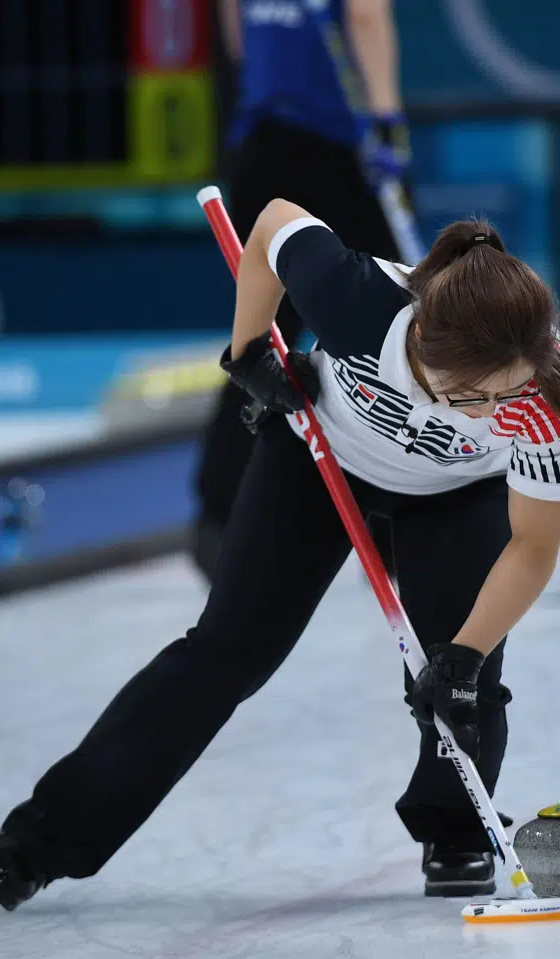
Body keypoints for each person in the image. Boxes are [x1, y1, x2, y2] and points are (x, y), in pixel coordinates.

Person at [0, 202, 560, 910]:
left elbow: (534, 547)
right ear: (420, 339)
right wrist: (248, 355)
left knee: (465, 683)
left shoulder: (549, 397)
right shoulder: (359, 303)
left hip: (459, 494)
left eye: (502, 395)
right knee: (224, 656)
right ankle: (40, 843)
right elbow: (271, 225)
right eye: (465, 395)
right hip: (321, 456)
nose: (486, 414)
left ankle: (456, 830)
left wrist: (465, 653)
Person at [194, 0, 421, 581]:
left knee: (261, 333)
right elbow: (367, 17)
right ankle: (399, 523)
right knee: (393, 329)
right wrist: (388, 119)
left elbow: (238, 37)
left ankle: (218, 513)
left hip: (260, 146)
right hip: (337, 148)